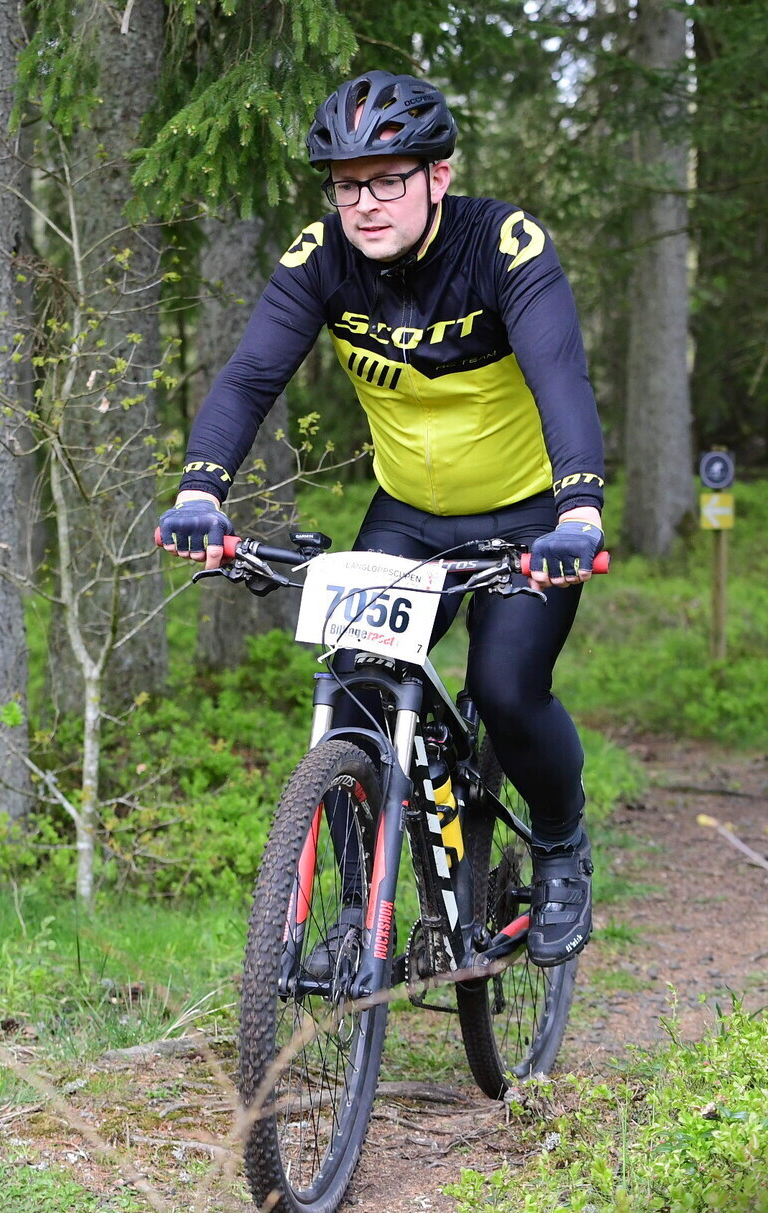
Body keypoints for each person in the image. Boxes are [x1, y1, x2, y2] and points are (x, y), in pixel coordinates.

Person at [157, 70, 606, 967]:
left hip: (528, 516)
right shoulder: (322, 256)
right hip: (408, 514)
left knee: (508, 688)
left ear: (438, 176)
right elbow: (250, 378)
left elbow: (561, 375)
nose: (364, 203)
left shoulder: (503, 245)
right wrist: (201, 491)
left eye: (387, 180)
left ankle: (561, 844)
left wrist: (580, 511)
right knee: (357, 693)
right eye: (346, 184)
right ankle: (361, 911)